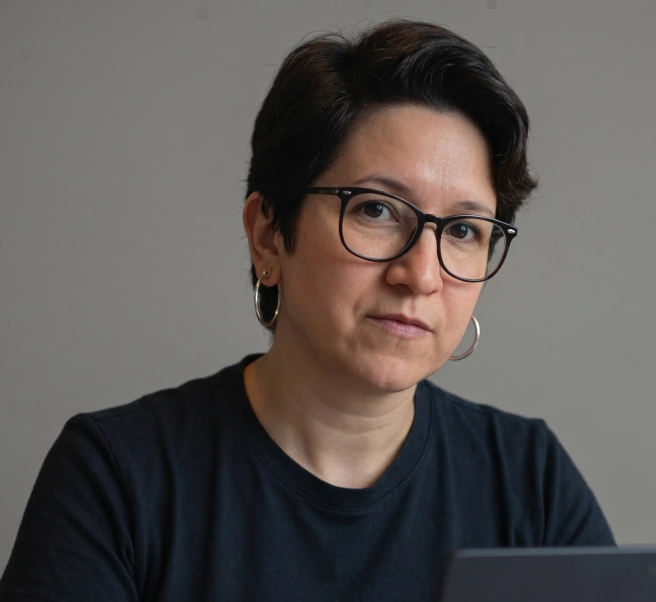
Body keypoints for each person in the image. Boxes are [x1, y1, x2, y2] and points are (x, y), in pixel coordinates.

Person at [0, 19, 614, 602]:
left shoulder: (530, 482)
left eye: (462, 230)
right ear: (269, 234)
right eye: (375, 209)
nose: (422, 275)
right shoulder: (117, 476)